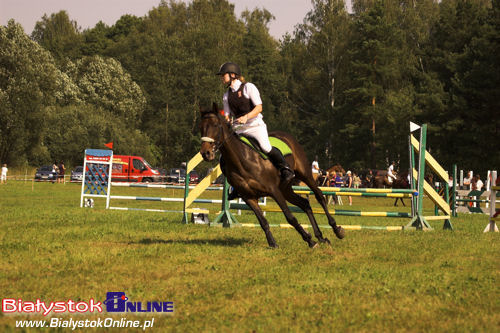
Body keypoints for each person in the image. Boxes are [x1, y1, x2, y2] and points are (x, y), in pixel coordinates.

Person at [217, 62, 294, 199]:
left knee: (265, 147)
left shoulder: (248, 87)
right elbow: (227, 115)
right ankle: (236, 186)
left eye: (223, 75)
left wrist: (246, 117)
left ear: (233, 75)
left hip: (255, 125)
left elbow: (259, 108)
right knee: (224, 157)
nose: (221, 78)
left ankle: (286, 169)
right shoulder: (226, 96)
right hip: (239, 128)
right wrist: (227, 121)